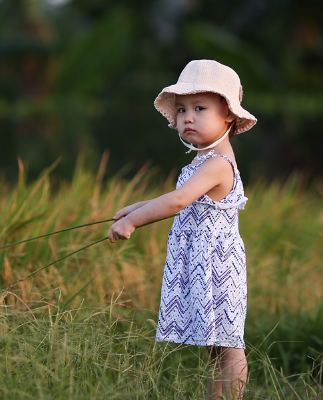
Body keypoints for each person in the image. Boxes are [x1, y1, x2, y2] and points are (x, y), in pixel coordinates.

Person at [108, 59, 257, 399]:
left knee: (228, 346)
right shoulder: (202, 161)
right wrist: (136, 207)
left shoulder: (218, 164)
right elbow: (179, 196)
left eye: (200, 108)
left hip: (217, 267)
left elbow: (179, 201)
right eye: (182, 110)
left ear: (228, 116)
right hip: (202, 263)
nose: (187, 117)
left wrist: (134, 221)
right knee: (214, 347)